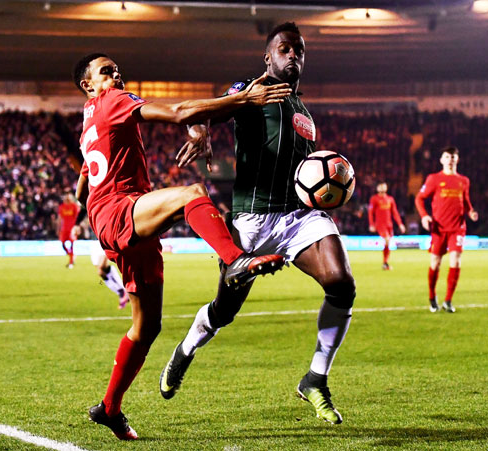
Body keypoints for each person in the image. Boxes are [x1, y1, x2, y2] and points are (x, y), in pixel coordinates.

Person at [72, 52, 290, 440]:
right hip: (120, 209)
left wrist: (194, 128)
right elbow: (178, 110)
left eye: (117, 68)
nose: (116, 73)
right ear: (89, 85)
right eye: (107, 71)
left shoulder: (90, 118)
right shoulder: (113, 100)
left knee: (147, 327)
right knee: (191, 193)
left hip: (115, 216)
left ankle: (109, 408)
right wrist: (242, 100)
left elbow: (86, 175)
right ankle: (236, 260)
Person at [159, 22, 356, 426]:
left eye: (299, 50)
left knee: (342, 284)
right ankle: (186, 350)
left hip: (299, 217)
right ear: (268, 57)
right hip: (252, 220)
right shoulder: (247, 90)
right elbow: (206, 111)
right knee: (224, 311)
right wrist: (199, 131)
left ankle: (315, 379)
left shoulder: (303, 111)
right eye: (285, 49)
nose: (293, 56)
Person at [415, 146, 478, 313]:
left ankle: (448, 300)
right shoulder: (434, 179)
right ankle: (432, 295)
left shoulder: (463, 181)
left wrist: (470, 211)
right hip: (439, 228)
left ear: (457, 160)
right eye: (447, 157)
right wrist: (424, 216)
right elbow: (419, 198)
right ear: (441, 160)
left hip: (458, 227)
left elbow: (465, 201)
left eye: (453, 157)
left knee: (456, 260)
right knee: (435, 263)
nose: (450, 160)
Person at [368, 182, 406, 270]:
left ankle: (385, 262)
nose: (382, 188)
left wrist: (400, 224)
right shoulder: (374, 199)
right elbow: (370, 213)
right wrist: (371, 224)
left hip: (389, 225)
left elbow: (395, 212)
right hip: (380, 225)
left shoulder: (390, 199)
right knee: (387, 240)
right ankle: (385, 263)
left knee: (388, 243)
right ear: (378, 188)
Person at [89, 239, 130, 309]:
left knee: (101, 268)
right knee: (100, 271)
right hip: (93, 242)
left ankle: (122, 293)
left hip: (101, 241)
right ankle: (122, 293)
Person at [58, 194, 80, 269]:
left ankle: (71, 262)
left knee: (72, 244)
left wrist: (77, 227)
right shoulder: (62, 206)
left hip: (72, 229)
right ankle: (71, 255)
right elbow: (60, 218)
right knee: (63, 244)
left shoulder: (74, 206)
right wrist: (58, 228)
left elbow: (77, 217)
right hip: (64, 229)